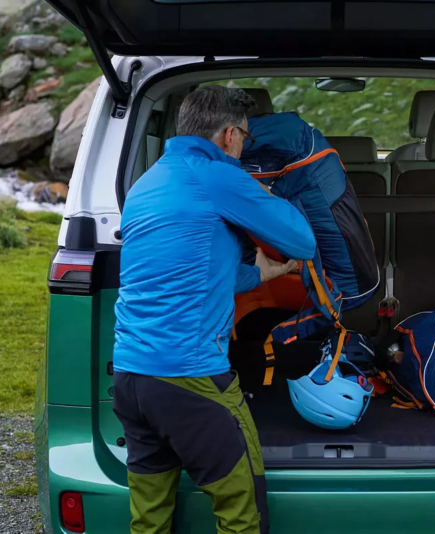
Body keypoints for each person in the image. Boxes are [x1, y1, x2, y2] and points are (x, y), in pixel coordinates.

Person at [112, 85, 317, 534]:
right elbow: (302, 241)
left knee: (148, 521)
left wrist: (259, 274)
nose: (244, 147)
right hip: (190, 379)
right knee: (242, 514)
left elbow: (191, 270)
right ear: (228, 135)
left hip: (131, 380)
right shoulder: (219, 177)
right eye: (245, 136)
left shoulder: (147, 182)